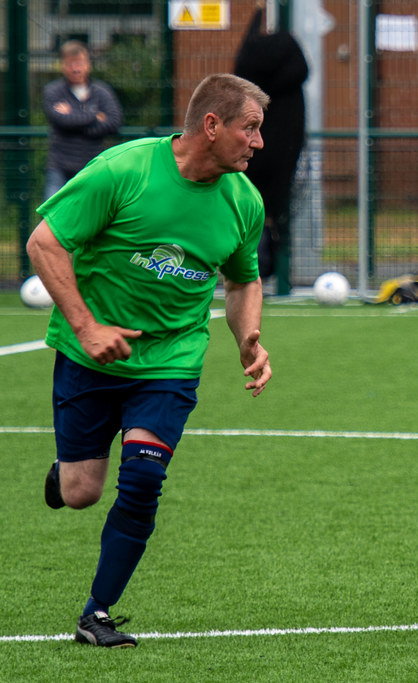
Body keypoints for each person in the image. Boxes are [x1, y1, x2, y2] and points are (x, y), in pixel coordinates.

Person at [26, 73, 272, 648]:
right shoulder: (124, 170)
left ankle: (97, 612)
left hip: (171, 362)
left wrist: (248, 337)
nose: (259, 142)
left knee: (141, 476)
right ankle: (64, 477)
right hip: (89, 357)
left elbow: (241, 281)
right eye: (250, 128)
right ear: (211, 126)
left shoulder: (244, 201)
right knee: (83, 490)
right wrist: (87, 328)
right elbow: (44, 242)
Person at [233, 7, 308, 283]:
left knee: (247, 202)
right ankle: (267, 264)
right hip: (284, 153)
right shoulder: (292, 70)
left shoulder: (248, 76)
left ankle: (252, 264)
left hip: (256, 165)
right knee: (273, 206)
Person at [42, 40, 123, 200]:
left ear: (88, 64)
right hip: (60, 168)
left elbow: (114, 122)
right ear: (62, 66)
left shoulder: (102, 92)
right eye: (70, 64)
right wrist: (95, 116)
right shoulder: (52, 91)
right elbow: (60, 120)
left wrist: (73, 117)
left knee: (95, 216)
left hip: (93, 167)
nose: (75, 68)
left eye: (79, 63)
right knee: (50, 216)